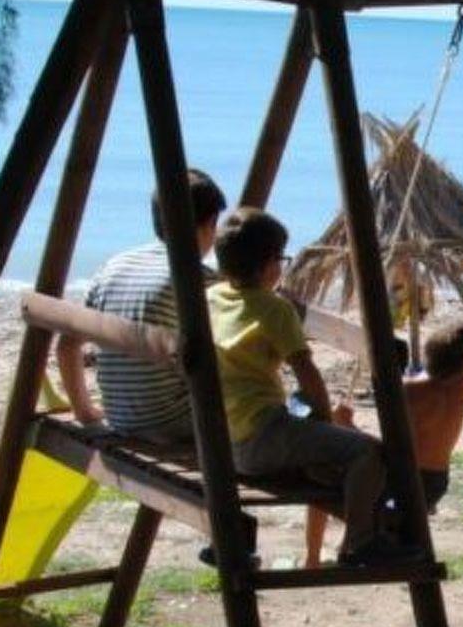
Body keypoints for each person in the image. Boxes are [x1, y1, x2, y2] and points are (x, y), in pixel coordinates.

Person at [304, 255, 463, 565]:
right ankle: (360, 538)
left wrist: (347, 424)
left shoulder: (407, 390)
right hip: (434, 487)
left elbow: (388, 454)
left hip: (400, 484)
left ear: (428, 357)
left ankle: (314, 558)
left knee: (318, 481)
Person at [207, 207, 392, 567]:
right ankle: (360, 542)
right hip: (262, 437)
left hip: (224, 441)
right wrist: (325, 420)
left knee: (319, 447)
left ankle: (342, 516)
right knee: (368, 452)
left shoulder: (211, 298)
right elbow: (307, 372)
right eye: (281, 259)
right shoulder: (275, 309)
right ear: (268, 266)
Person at [55, 169, 228, 442]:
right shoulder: (199, 279)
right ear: (209, 225)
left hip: (120, 417)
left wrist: (85, 412)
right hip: (175, 421)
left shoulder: (114, 266)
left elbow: (66, 346)